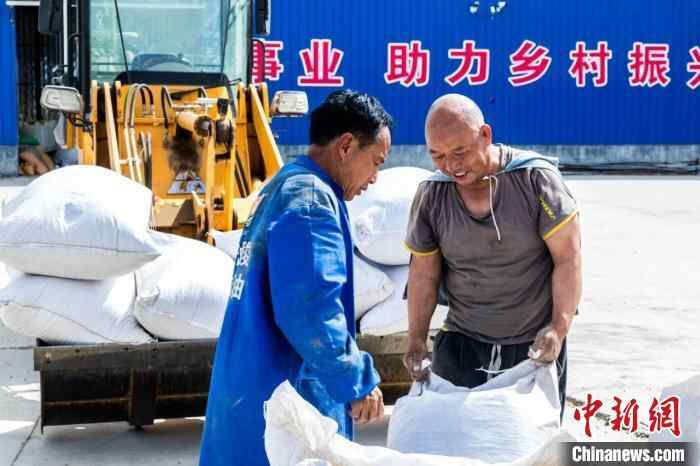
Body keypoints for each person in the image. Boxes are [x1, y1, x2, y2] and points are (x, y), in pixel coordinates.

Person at [199, 90, 393, 466]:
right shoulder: (311, 203)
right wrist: (354, 380)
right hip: (287, 402)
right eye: (376, 162)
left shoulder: (285, 184)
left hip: (251, 389)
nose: (374, 178)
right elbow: (310, 310)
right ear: (346, 146)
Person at [402, 94, 581, 415]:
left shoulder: (535, 180)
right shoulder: (432, 194)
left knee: (532, 440)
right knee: (454, 437)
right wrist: (416, 338)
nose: (451, 165)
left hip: (533, 345)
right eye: (437, 155)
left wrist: (558, 328)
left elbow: (568, 259)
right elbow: (423, 274)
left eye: (460, 152)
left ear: (485, 135)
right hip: (462, 343)